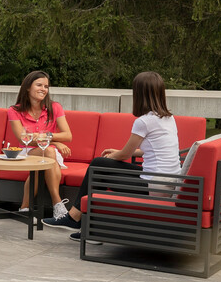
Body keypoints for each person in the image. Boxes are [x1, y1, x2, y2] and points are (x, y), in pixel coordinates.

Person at [45, 70, 180, 238]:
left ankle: (77, 220)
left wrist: (112, 156)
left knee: (99, 167)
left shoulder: (144, 121)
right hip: (165, 180)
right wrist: (117, 154)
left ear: (140, 94)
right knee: (100, 165)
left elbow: (124, 155)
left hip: (154, 186)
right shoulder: (168, 118)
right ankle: (84, 223)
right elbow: (153, 150)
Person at [6, 70, 74, 226]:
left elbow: (68, 135)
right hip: (26, 151)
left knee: (43, 161)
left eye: (46, 86)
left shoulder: (55, 107)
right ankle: (58, 205)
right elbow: (23, 139)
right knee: (48, 153)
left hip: (48, 151)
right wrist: (55, 142)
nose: (43, 89)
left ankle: (24, 208)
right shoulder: (14, 110)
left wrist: (46, 136)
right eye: (39, 85)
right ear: (28, 87)